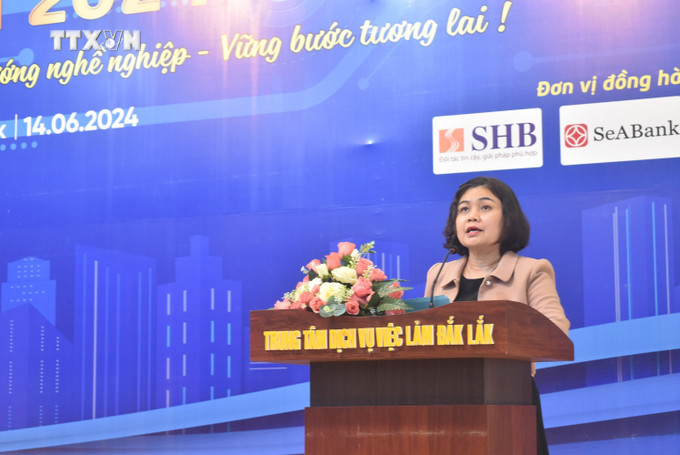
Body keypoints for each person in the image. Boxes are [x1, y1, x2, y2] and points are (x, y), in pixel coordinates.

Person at [424, 176, 569, 455]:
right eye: (464, 209)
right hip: (443, 398)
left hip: (508, 397)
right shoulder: (438, 273)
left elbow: (556, 331)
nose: (472, 216)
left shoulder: (531, 271)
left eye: (485, 207)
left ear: (508, 218)